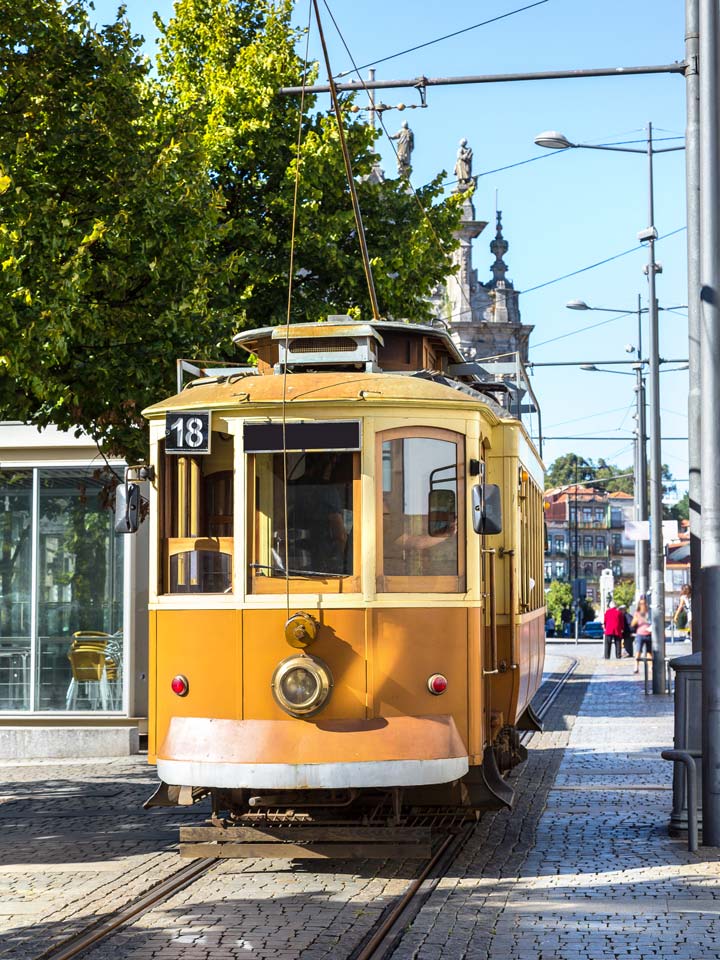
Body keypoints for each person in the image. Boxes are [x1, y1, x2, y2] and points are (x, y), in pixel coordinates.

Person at [632, 596, 652, 673]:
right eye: (641, 604)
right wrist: (637, 618)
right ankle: (636, 666)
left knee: (649, 652)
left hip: (649, 633)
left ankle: (650, 666)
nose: (643, 605)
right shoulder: (637, 613)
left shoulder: (649, 612)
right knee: (638, 651)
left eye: (644, 603)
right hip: (640, 634)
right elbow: (632, 624)